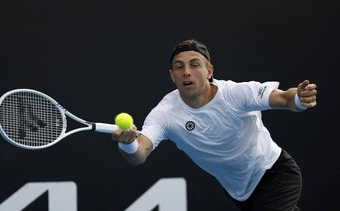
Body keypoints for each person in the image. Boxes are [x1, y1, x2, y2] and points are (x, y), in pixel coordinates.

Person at [112, 39, 317, 211]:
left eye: (194, 64)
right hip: (241, 194)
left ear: (209, 71)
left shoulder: (235, 94)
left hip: (275, 173)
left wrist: (298, 98)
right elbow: (140, 153)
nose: (186, 72)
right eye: (179, 67)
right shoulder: (165, 113)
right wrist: (128, 144)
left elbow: (283, 99)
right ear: (172, 76)